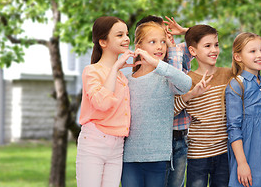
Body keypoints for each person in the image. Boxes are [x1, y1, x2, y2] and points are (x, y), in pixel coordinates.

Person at [121, 21, 192, 187]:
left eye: (162, 42)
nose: (160, 47)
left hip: (158, 158)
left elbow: (186, 84)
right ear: (138, 46)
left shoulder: (166, 77)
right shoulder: (127, 81)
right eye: (152, 42)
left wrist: (157, 63)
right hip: (130, 158)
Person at [76, 16, 135, 187]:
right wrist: (115, 67)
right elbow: (102, 104)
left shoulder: (122, 76)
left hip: (117, 146)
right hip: (94, 142)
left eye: (126, 34)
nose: (126, 39)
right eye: (119, 35)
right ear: (103, 41)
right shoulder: (92, 71)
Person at [174, 24, 232, 187]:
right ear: (193, 51)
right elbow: (171, 110)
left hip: (224, 153)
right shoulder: (187, 80)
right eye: (207, 46)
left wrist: (188, 31)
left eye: (216, 45)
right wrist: (191, 94)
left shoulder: (227, 74)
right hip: (197, 155)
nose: (214, 50)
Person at [226, 32, 261, 187]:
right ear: (238, 57)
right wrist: (242, 163)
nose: (260, 55)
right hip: (247, 151)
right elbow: (233, 128)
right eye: (252, 51)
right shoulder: (236, 85)